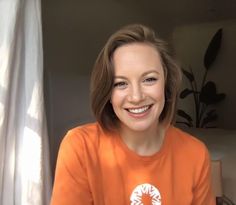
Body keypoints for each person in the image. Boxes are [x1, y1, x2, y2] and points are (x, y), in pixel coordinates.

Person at [50, 24, 215, 205]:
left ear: (167, 85)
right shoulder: (80, 147)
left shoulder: (195, 154)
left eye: (149, 79)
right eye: (120, 83)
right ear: (108, 94)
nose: (136, 97)